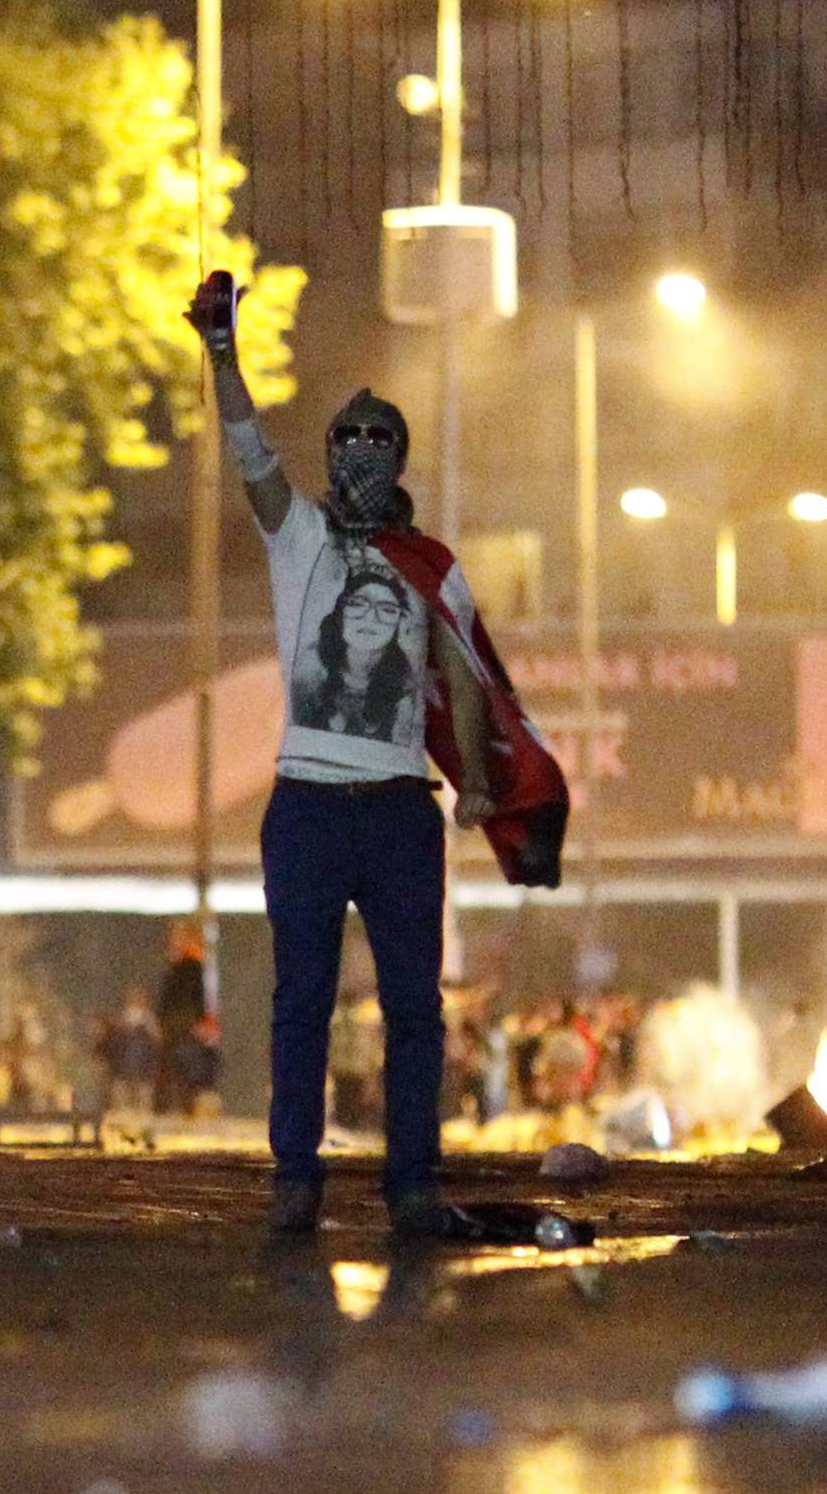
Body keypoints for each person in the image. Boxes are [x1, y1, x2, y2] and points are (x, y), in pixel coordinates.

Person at [187, 267, 566, 1234]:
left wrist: (481, 782)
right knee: (299, 1000)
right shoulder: (297, 537)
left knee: (414, 1010)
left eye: (377, 440)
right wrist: (222, 354)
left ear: (399, 457)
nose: (359, 451)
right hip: (308, 802)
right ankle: (295, 1181)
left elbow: (465, 680)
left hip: (401, 804)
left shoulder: (431, 566)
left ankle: (412, 1185)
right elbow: (245, 448)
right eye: (346, 438)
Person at [154, 921, 211, 1116]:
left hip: (185, 1017)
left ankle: (187, 1105)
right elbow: (165, 995)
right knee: (168, 1062)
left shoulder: (192, 963)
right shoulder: (171, 962)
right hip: (171, 1018)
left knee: (186, 1061)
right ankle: (164, 1105)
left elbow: (197, 993)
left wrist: (200, 1019)